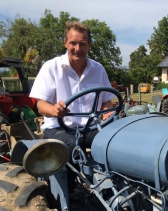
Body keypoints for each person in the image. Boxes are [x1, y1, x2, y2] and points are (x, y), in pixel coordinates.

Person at [30, 21, 115, 160]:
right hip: (59, 128)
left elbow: (106, 101)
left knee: (115, 141)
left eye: (82, 44)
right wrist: (53, 110)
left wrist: (107, 113)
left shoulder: (98, 69)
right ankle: (72, 182)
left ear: (89, 45)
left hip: (91, 128)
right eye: (73, 43)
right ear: (65, 43)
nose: (77, 48)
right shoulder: (51, 67)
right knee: (72, 145)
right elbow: (40, 105)